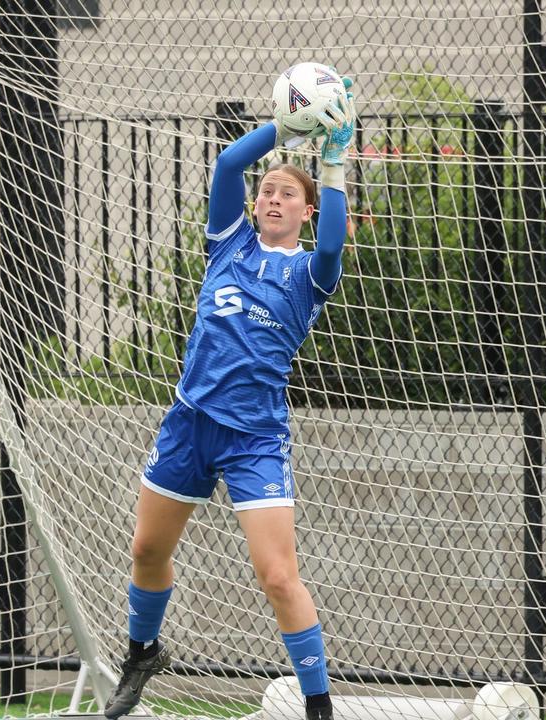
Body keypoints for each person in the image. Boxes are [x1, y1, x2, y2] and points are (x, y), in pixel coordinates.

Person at [103, 78, 357, 720]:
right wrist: (287, 127)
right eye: (268, 190)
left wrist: (330, 161)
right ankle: (143, 652)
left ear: (304, 210)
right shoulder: (230, 245)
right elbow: (227, 163)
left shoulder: (309, 274)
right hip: (189, 423)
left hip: (253, 439)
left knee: (277, 575)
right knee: (147, 551)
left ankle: (318, 704)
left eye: (287, 194)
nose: (273, 197)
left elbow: (332, 242)